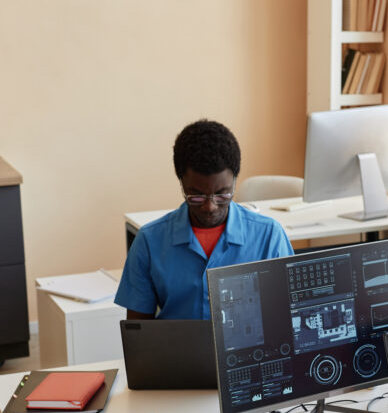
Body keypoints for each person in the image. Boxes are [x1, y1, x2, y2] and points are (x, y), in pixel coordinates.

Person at [115, 120, 293, 320]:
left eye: (222, 195)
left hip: (253, 351)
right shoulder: (149, 241)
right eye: (196, 196)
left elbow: (287, 318)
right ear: (181, 183)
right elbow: (139, 334)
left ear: (235, 180)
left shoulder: (269, 237)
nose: (210, 207)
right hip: (177, 351)